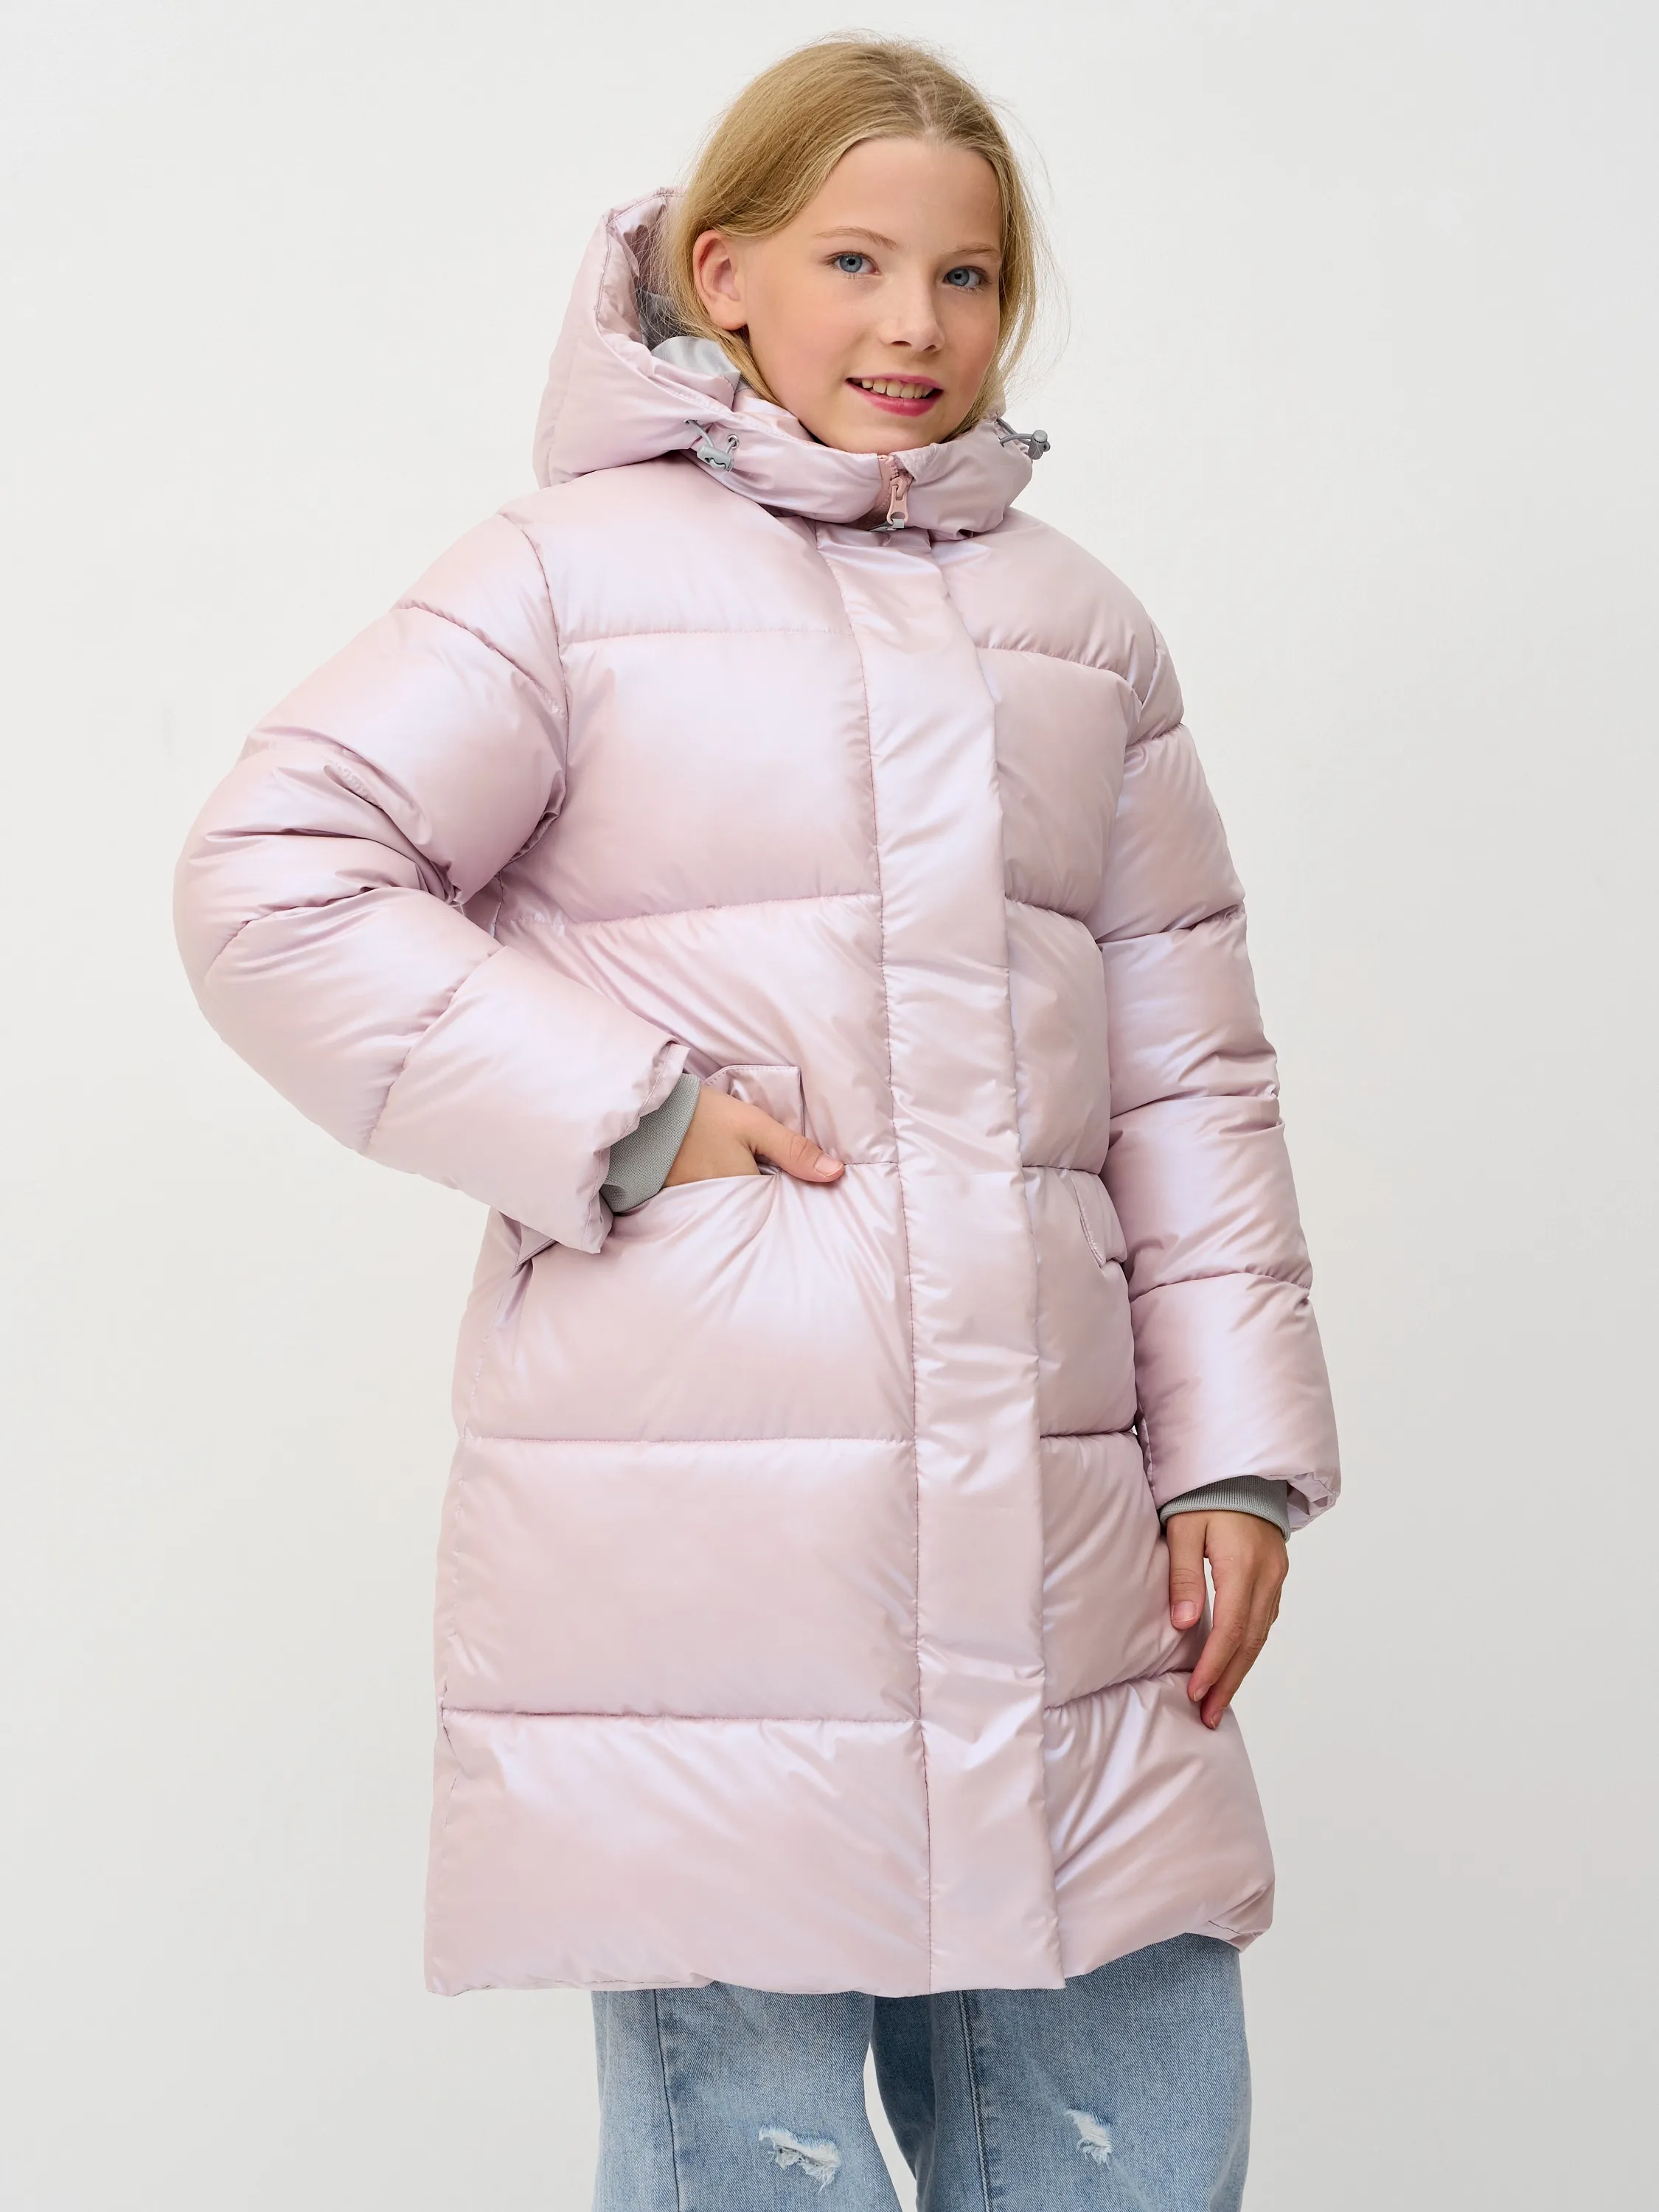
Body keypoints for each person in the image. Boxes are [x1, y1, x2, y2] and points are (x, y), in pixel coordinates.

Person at [174, 36, 1340, 2211]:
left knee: (1131, 2126)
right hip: (706, 1547)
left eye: (969, 277)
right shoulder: (565, 579)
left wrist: (1240, 1457)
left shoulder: (1080, 631)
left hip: (1062, 1540)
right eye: (855, 262)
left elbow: (1188, 1070)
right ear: (725, 277)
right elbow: (274, 878)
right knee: (750, 2153)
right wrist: (627, 1118)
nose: (915, 324)